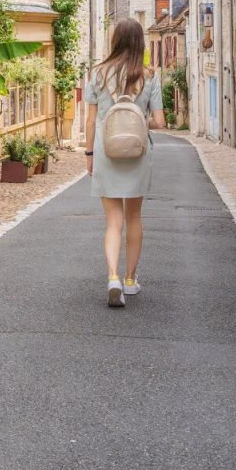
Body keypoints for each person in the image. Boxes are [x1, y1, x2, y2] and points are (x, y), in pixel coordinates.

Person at [84, 18, 165, 307]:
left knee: (113, 222)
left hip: (106, 152)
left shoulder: (97, 73)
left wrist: (89, 156)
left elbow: (91, 121)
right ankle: (131, 280)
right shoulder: (149, 75)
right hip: (138, 154)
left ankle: (112, 277)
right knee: (134, 218)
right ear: (140, 43)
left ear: (115, 40)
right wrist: (140, 121)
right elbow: (159, 121)